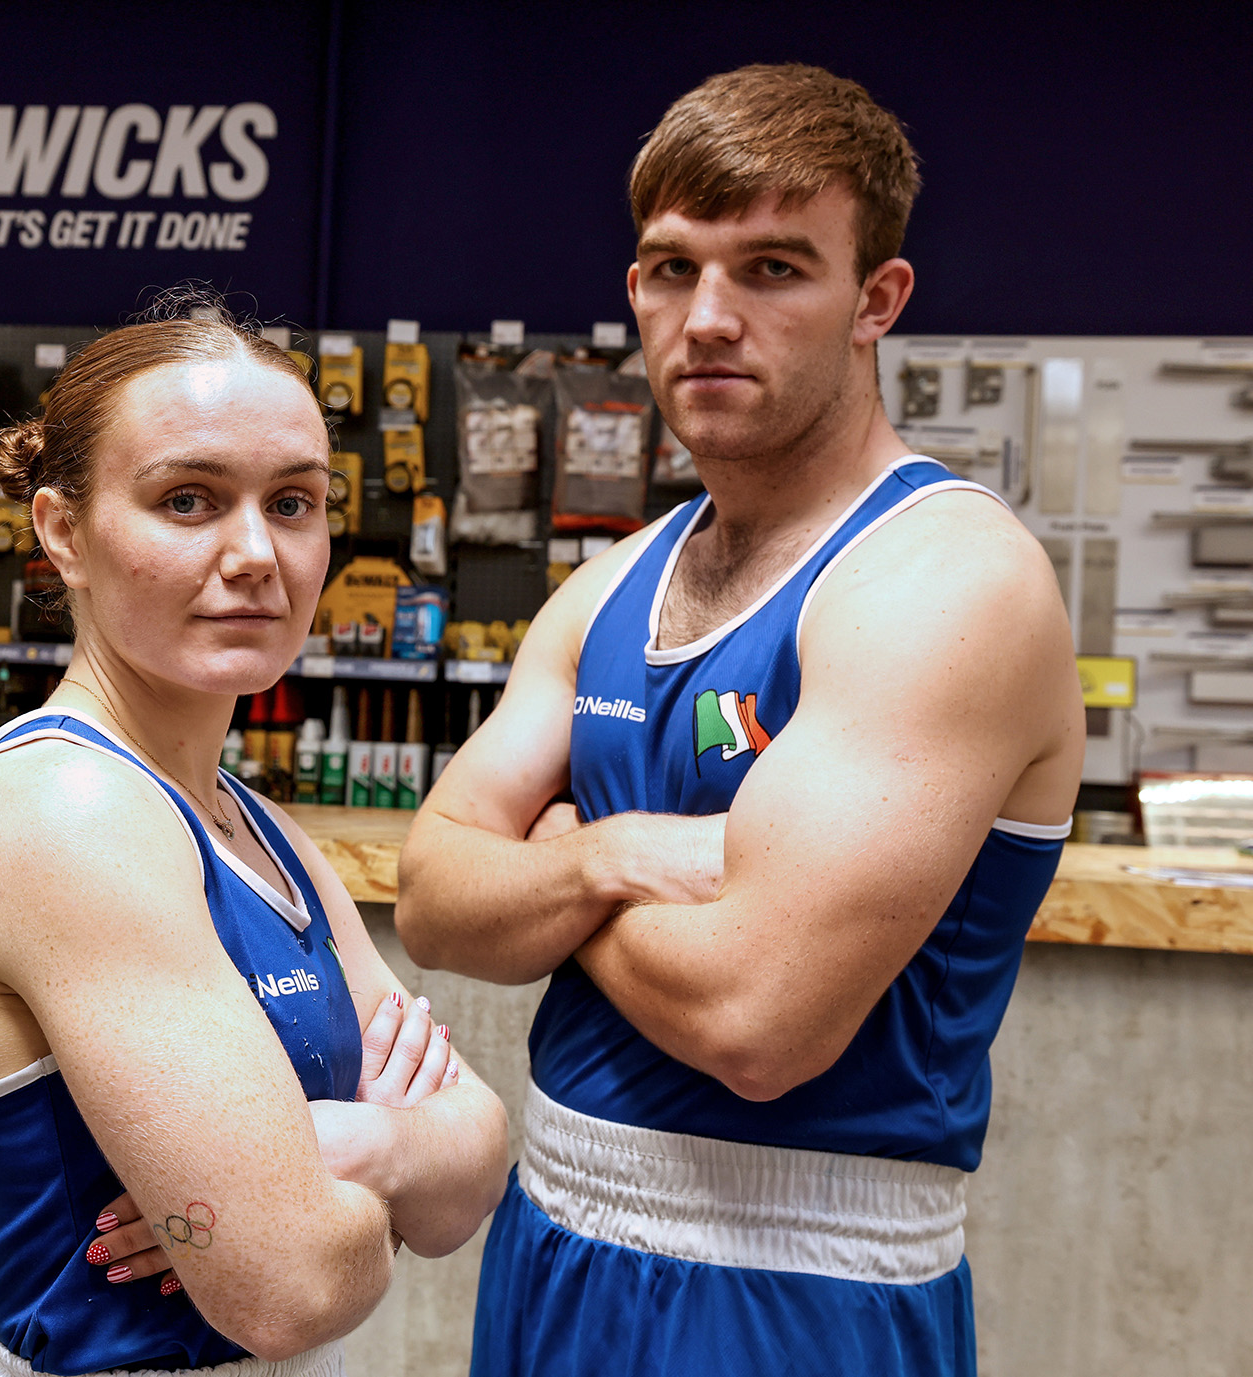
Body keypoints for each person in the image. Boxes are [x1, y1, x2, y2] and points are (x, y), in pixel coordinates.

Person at [395, 65, 1084, 1377]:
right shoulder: (613, 584)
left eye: (773, 268)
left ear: (876, 300)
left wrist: (545, 863)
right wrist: (607, 857)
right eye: (673, 269)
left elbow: (756, 1022)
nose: (708, 318)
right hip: (548, 1241)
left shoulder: (943, 581)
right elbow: (430, 898)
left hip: (789, 1291)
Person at [0, 308, 510, 1377]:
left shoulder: (255, 826)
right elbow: (291, 1287)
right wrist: (377, 1177)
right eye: (187, 500)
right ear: (62, 531)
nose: (256, 555)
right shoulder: (64, 812)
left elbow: (476, 1175)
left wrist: (361, 1146)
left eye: (293, 503)